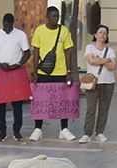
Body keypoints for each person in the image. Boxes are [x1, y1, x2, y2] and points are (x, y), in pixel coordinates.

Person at [29, 6, 77, 142]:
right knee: (41, 100)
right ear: (47, 17)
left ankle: (64, 129)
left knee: (63, 100)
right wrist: (35, 72)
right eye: (53, 16)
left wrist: (69, 72)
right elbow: (36, 51)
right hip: (44, 72)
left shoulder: (64, 31)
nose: (56, 19)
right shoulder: (40, 31)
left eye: (57, 16)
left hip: (61, 71)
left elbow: (68, 51)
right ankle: (38, 129)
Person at [0, 13, 31, 142]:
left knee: (17, 104)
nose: (7, 29)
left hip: (15, 72)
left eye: (9, 27)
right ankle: (2, 131)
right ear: (2, 23)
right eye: (5, 26)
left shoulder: (20, 35)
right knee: (0, 105)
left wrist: (19, 64)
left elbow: (27, 53)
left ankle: (17, 131)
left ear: (13, 24)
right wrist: (0, 65)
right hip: (0, 73)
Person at [80, 25, 117, 143]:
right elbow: (91, 60)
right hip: (92, 82)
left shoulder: (110, 50)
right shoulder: (90, 47)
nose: (102, 35)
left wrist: (99, 60)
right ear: (95, 35)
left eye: (105, 33)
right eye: (100, 32)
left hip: (108, 82)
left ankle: (100, 132)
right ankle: (87, 133)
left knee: (104, 108)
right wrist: (106, 60)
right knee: (91, 108)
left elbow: (113, 66)